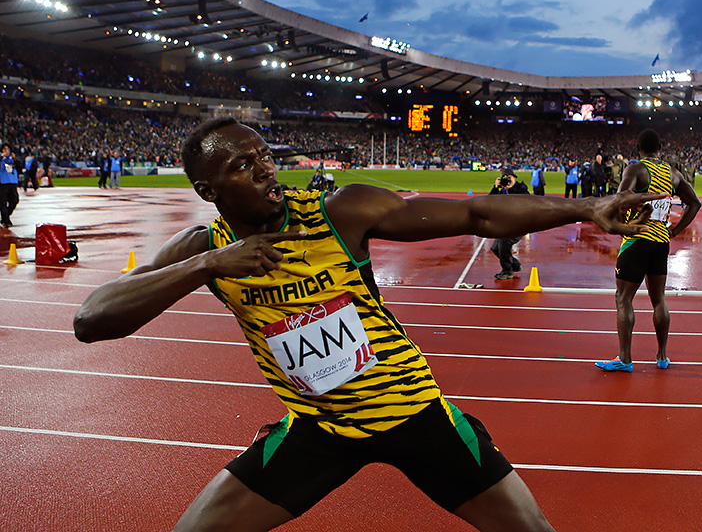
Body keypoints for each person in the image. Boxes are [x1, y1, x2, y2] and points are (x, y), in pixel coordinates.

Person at [73, 118, 663, 532]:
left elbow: (478, 212)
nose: (265, 171)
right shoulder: (204, 246)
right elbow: (92, 320)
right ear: (207, 190)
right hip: (319, 429)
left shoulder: (338, 211)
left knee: (528, 527)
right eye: (242, 166)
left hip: (415, 414)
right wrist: (208, 263)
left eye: (264, 157)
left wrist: (586, 207)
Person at [596, 129, 702, 372]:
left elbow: (620, 197)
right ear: (660, 148)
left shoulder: (636, 169)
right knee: (659, 299)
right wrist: (674, 230)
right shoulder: (673, 173)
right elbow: (694, 203)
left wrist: (624, 220)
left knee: (623, 299)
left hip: (637, 238)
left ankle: (624, 358)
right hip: (661, 241)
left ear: (638, 148)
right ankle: (662, 356)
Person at [489, 169, 528, 279]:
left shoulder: (522, 189)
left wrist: (511, 189)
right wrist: (496, 188)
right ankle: (515, 265)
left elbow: (526, 200)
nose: (508, 180)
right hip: (506, 224)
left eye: (509, 177)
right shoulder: (502, 191)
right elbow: (488, 202)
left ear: (515, 178)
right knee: (496, 248)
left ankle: (507, 271)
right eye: (505, 178)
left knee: (504, 241)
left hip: (520, 224)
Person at [1, 143, 19, 227]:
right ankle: (6, 220)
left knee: (14, 201)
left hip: (12, 182)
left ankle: (6, 216)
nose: (6, 151)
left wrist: (15, 159)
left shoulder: (12, 159)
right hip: (2, 183)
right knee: (2, 202)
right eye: (4, 149)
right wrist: (2, 156)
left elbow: (20, 167)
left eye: (7, 149)